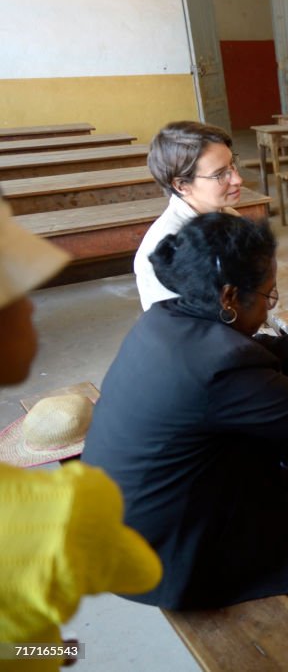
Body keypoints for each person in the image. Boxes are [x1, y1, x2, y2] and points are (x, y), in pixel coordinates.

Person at [82, 213, 288, 650]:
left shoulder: (171, 316)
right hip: (164, 550)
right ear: (228, 297)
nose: (270, 304)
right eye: (267, 294)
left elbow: (273, 350)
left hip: (138, 512)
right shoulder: (221, 366)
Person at [0, 195, 162, 671]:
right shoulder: (62, 511)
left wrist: (48, 651)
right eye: (21, 293)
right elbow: (142, 570)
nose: (33, 308)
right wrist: (53, 652)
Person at [134, 121, 244, 311]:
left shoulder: (229, 217)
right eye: (220, 174)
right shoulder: (167, 249)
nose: (237, 179)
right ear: (181, 185)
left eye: (232, 166)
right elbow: (186, 331)